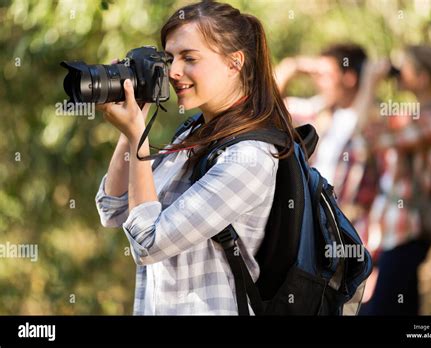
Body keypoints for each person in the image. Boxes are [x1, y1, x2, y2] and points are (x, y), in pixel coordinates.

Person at [95, 1, 297, 315]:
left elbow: (148, 244)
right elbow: (114, 209)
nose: (174, 72)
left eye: (189, 58)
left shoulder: (250, 157)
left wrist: (138, 135)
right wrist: (132, 124)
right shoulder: (193, 134)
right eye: (169, 58)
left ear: (234, 63)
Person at [359, 45, 431, 315]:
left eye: (406, 68)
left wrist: (370, 82)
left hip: (407, 231)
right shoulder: (419, 116)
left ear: (423, 77)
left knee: (375, 311)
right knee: (405, 307)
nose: (399, 73)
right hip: (396, 229)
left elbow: (367, 136)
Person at [275, 44, 379, 263]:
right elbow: (269, 106)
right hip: (318, 229)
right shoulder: (319, 113)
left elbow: (361, 126)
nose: (317, 81)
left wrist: (370, 79)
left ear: (348, 78)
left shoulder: (373, 117)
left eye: (325, 75)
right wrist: (292, 67)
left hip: (356, 234)